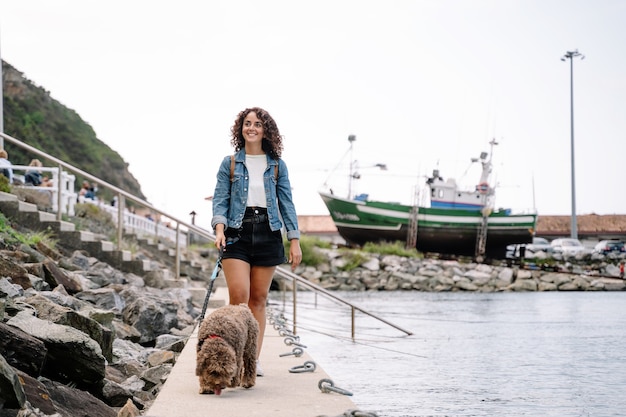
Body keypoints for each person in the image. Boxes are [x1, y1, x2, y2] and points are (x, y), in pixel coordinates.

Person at [211, 107, 302, 377]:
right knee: (239, 297)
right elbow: (220, 198)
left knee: (259, 300)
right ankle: (233, 356)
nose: (252, 128)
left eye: (258, 124)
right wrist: (219, 228)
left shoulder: (277, 165)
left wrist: (294, 239)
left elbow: (286, 202)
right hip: (236, 233)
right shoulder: (229, 163)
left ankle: (252, 360)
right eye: (247, 123)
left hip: (268, 231)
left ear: (266, 130)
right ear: (241, 128)